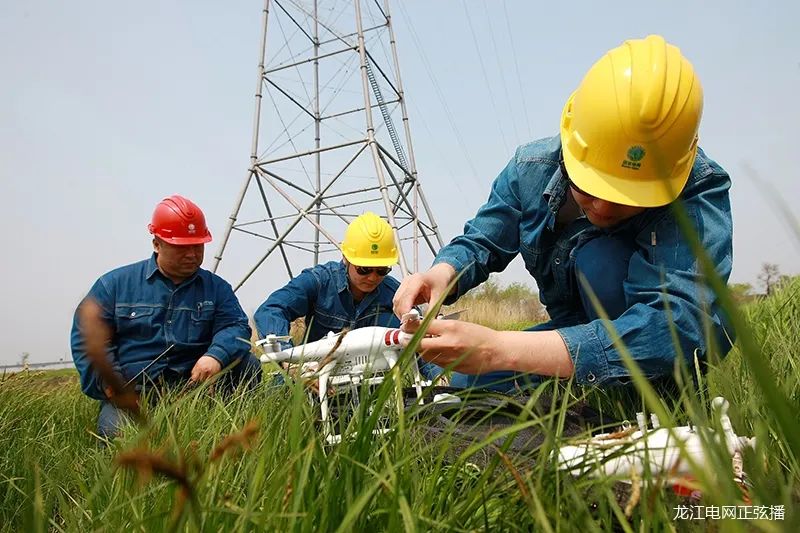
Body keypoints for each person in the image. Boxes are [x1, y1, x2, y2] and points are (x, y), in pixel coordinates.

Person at [393, 35, 734, 392]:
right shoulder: (529, 169)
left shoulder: (696, 186)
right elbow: (482, 241)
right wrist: (442, 273)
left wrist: (500, 349)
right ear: (572, 148)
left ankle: (652, 395)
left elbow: (679, 322)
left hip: (650, 334)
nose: (602, 206)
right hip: (572, 330)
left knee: (599, 260)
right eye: (590, 186)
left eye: (627, 195)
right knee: (468, 385)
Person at [71, 195, 262, 438]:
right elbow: (87, 340)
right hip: (136, 392)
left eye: (198, 246)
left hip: (197, 389)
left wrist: (216, 356)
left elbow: (235, 326)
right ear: (157, 243)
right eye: (182, 247)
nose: (192, 254)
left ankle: (236, 436)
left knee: (247, 364)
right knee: (120, 445)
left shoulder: (216, 288)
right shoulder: (114, 286)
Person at [254, 211, 441, 380]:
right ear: (346, 258)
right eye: (364, 269)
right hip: (310, 376)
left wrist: (440, 381)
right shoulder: (320, 281)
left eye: (382, 270)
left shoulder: (396, 296)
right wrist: (291, 365)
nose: (373, 277)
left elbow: (420, 342)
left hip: (369, 388)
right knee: (281, 389)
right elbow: (270, 310)